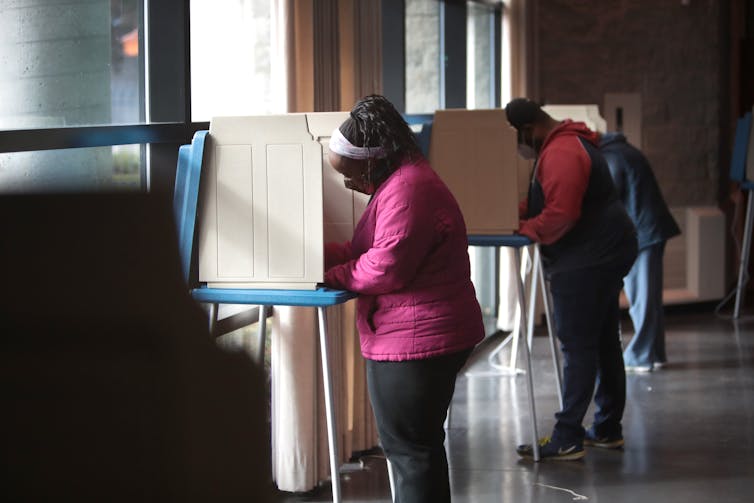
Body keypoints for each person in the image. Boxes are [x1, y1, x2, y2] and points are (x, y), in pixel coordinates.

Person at [323, 95, 485, 502]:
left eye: (352, 175)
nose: (352, 186)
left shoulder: (408, 190)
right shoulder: (406, 181)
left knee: (410, 454)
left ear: (373, 160)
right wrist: (319, 256)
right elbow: (371, 250)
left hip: (415, 340)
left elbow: (384, 266)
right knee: (421, 449)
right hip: (425, 332)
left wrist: (331, 276)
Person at [504, 98, 638, 460]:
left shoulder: (561, 152)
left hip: (589, 258)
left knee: (578, 347)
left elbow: (561, 214)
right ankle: (607, 429)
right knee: (604, 342)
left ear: (528, 131)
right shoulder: (567, 142)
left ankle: (567, 437)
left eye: (517, 140)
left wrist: (525, 228)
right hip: (604, 250)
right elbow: (548, 200)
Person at [599, 132, 681, 372]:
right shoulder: (626, 151)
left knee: (641, 299)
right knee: (649, 298)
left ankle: (641, 356)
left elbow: (610, 196)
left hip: (643, 232)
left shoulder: (612, 157)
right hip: (652, 229)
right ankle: (654, 353)